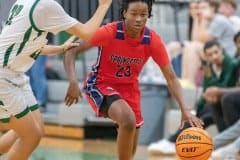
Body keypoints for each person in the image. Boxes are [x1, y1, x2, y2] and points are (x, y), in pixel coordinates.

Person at [63, 1, 204, 160]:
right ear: (124, 13)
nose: (138, 19)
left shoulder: (151, 40)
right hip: (101, 84)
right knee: (128, 120)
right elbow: (71, 52)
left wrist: (184, 109)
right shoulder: (109, 32)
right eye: (134, 14)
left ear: (148, 15)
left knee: (130, 152)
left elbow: (171, 77)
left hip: (130, 91)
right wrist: (73, 81)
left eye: (143, 15)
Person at [0, 0, 112, 159]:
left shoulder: (25, 2)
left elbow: (31, 46)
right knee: (30, 136)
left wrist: (60, 49)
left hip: (15, 75)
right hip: (4, 77)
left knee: (36, 129)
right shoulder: (45, 5)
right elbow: (87, 33)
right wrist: (104, 6)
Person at [148, 40, 239, 155]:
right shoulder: (211, 67)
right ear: (206, 57)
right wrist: (197, 108)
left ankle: (174, 141)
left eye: (216, 52)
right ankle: (175, 141)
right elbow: (206, 91)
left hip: (228, 104)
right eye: (210, 55)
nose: (214, 57)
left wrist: (210, 77)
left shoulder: (231, 64)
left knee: (205, 115)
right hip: (217, 103)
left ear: (221, 50)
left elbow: (222, 88)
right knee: (199, 115)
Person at [182, 0, 236, 84]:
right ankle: (185, 80)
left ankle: (190, 82)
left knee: (192, 47)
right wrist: (196, 19)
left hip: (225, 54)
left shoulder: (219, 20)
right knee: (189, 46)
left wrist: (202, 19)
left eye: (204, 8)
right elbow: (194, 40)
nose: (200, 11)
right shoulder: (209, 20)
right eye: (199, 8)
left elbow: (202, 40)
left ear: (212, 8)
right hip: (214, 51)